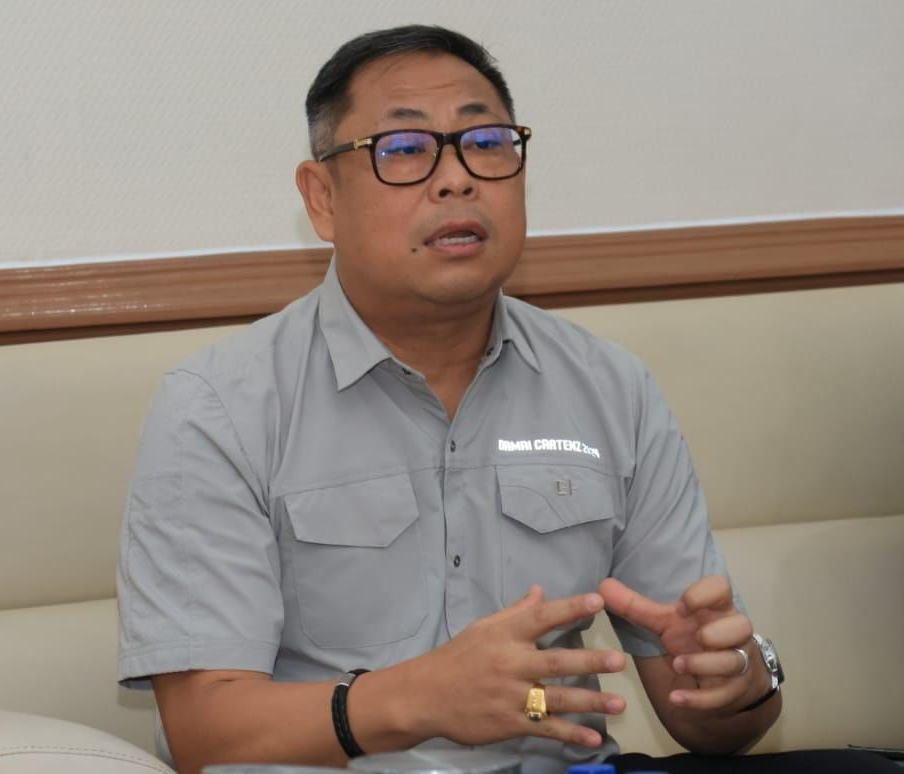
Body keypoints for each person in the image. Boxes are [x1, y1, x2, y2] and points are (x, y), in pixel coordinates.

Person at [117, 25, 895, 774]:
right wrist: (417, 697)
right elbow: (205, 733)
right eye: (405, 148)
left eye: (486, 142)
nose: (457, 177)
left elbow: (710, 724)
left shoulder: (610, 387)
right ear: (321, 198)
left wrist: (735, 678)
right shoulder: (219, 408)